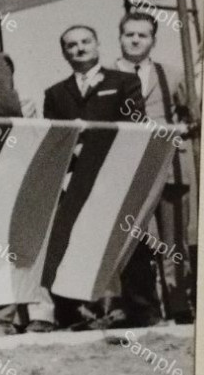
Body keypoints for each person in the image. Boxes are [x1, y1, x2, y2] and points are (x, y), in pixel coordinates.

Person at [42, 25, 148, 330]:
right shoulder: (55, 93)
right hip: (76, 178)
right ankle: (74, 312)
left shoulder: (124, 81)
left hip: (117, 172)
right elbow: (55, 139)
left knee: (130, 241)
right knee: (72, 241)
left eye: (86, 41)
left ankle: (140, 310)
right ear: (64, 52)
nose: (79, 48)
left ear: (98, 44)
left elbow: (135, 123)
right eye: (71, 45)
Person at [113, 10, 193, 322]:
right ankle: (143, 309)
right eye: (129, 34)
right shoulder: (107, 74)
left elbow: (189, 114)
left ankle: (178, 304)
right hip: (127, 168)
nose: (135, 40)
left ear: (153, 40)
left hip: (169, 166)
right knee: (135, 241)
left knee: (174, 241)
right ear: (120, 37)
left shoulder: (172, 74)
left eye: (142, 35)